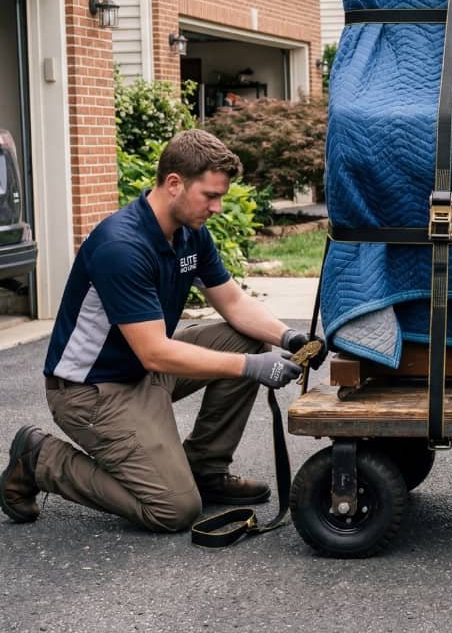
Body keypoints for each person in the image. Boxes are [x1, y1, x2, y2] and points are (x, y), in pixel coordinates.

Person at [0, 129, 326, 532]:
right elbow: (154, 351)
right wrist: (250, 367)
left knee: (246, 338)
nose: (218, 207)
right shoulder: (121, 247)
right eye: (210, 196)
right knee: (174, 509)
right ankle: (40, 459)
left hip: (145, 369)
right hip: (92, 391)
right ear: (174, 184)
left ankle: (205, 469)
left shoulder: (190, 234)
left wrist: (288, 337)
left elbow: (233, 302)